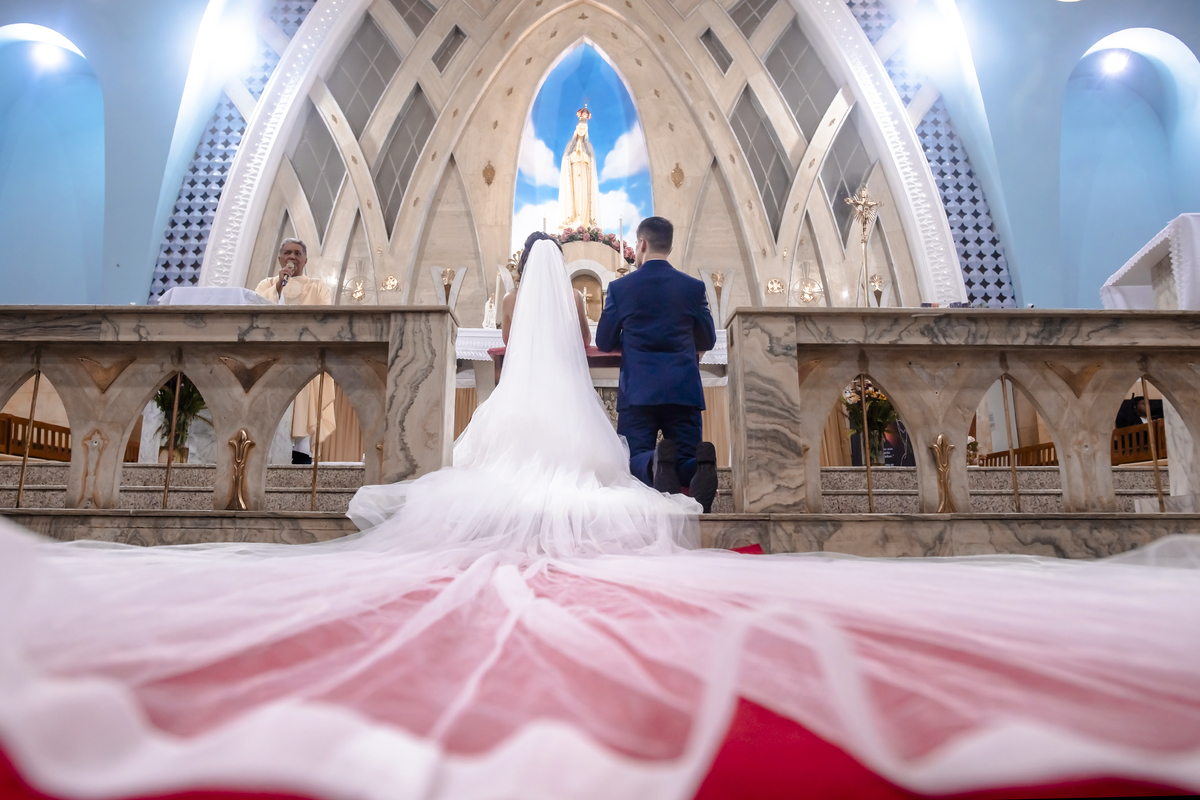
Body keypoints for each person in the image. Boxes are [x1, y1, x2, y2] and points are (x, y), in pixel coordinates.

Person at [1, 238, 1200, 800]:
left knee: (601, 460)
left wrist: (601, 331)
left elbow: (595, 350)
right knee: (653, 474)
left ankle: (626, 503)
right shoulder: (673, 281)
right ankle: (669, 519)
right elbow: (633, 350)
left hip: (619, 393)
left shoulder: (612, 294)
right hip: (678, 389)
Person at [596, 216, 719, 512]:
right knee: (687, 453)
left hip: (639, 392)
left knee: (633, 455)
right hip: (683, 389)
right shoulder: (693, 288)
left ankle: (653, 463)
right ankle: (698, 466)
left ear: (641, 244)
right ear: (670, 246)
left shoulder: (621, 288)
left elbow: (604, 340)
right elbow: (708, 338)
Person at [254, 238, 336, 464]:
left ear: (305, 260)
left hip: (304, 362)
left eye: (298, 253)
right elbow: (255, 316)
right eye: (288, 253)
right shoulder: (266, 286)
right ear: (279, 258)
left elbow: (325, 320)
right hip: (270, 361)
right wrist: (279, 287)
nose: (292, 257)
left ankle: (300, 457)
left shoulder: (318, 287)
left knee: (303, 412)